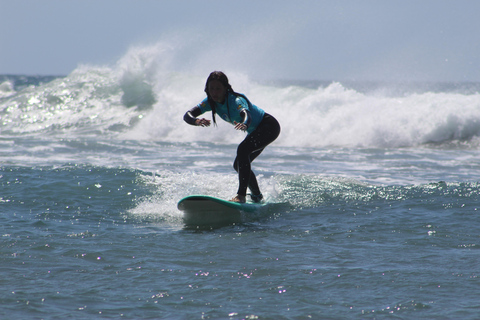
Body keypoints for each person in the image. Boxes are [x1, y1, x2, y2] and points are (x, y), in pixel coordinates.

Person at [183, 71, 281, 203]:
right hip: (255, 131)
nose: (214, 92)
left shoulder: (236, 100)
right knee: (238, 165)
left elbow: (246, 113)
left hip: (268, 126)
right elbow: (188, 114)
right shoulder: (210, 102)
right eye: (211, 88)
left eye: (218, 89)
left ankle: (241, 196)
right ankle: (257, 196)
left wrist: (245, 123)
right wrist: (196, 121)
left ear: (225, 89)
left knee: (243, 150)